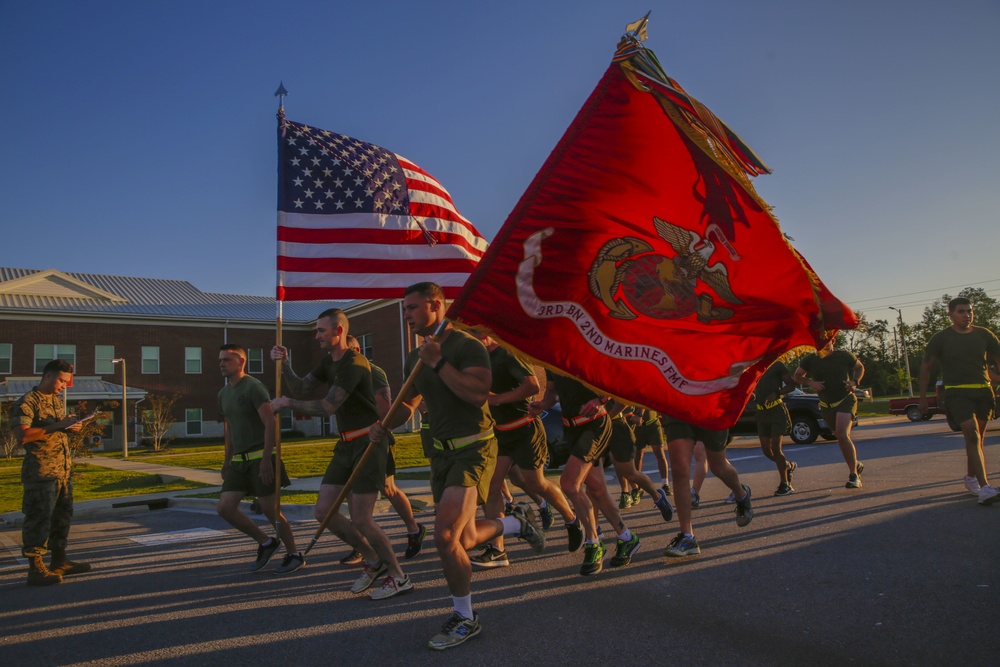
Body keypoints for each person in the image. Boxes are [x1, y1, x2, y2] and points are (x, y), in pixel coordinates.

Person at [368, 282, 544, 650]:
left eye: (412, 308)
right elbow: (409, 405)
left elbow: (478, 393)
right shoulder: (416, 355)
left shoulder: (467, 345)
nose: (407, 316)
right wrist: (383, 422)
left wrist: (438, 362)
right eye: (404, 310)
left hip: (474, 449)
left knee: (444, 536)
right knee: (461, 540)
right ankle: (514, 523)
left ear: (436, 305)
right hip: (441, 453)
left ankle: (465, 617)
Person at [270, 309, 412, 600]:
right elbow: (300, 386)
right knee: (323, 512)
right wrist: (284, 364)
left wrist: (286, 403)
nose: (317, 335)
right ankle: (372, 560)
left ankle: (398, 575)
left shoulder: (354, 363)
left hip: (368, 444)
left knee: (361, 518)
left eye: (321, 331)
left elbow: (327, 407)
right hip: (345, 444)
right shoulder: (328, 362)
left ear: (339, 331)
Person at [466, 330, 578, 568]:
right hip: (500, 433)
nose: (469, 337)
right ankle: (498, 550)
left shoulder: (507, 354)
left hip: (525, 428)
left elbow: (532, 386)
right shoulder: (478, 359)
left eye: (472, 332)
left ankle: (572, 519)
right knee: (492, 487)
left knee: (535, 483)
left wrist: (497, 399)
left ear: (483, 332)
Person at [529, 372, 641, 575]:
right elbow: (552, 394)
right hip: (572, 428)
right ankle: (627, 538)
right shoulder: (551, 356)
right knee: (597, 489)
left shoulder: (582, 347)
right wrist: (542, 405)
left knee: (570, 484)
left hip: (595, 424)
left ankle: (593, 543)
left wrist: (601, 399)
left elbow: (621, 380)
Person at [335, 335, 427, 565]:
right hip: (350, 443)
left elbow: (385, 410)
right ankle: (361, 545)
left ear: (356, 349)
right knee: (349, 492)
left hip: (373, 440)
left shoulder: (372, 371)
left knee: (388, 488)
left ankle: (413, 529)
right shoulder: (341, 373)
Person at [215, 345, 303, 574]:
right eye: (220, 360)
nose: (222, 364)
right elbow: (230, 430)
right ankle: (267, 542)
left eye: (227, 360)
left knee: (270, 509)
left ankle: (294, 554)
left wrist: (266, 459)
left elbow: (270, 424)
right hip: (239, 461)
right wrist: (226, 461)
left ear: (241, 362)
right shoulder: (223, 394)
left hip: (260, 459)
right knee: (225, 507)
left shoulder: (254, 387)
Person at [13, 360, 90, 586]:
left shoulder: (56, 401)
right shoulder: (27, 402)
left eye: (66, 382)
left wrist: (70, 427)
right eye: (61, 380)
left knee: (61, 517)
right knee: (39, 518)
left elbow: (55, 430)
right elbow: (23, 436)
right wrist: (58, 425)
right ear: (47, 376)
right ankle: (36, 569)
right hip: (41, 473)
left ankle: (60, 561)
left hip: (62, 471)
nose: (64, 386)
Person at [918, 297, 1000, 505]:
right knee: (971, 435)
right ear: (951, 314)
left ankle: (971, 478)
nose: (967, 315)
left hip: (983, 392)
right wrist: (923, 399)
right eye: (962, 311)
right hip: (957, 393)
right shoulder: (941, 338)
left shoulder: (984, 335)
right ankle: (985, 488)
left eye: (970, 311)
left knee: (978, 439)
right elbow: (926, 367)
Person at [662, 417, 752, 558]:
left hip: (710, 407)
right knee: (679, 470)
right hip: (678, 411)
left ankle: (741, 494)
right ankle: (687, 537)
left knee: (718, 467)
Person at [794, 341, 866, 488]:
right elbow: (797, 375)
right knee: (837, 435)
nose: (825, 344)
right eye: (821, 342)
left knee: (841, 434)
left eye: (828, 341)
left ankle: (854, 475)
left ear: (833, 341)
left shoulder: (844, 355)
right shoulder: (810, 359)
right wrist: (810, 383)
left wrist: (854, 382)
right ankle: (856, 464)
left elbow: (859, 367)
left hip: (846, 399)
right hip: (827, 405)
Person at [607, 405, 673, 523]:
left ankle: (659, 493)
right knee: (592, 481)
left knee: (628, 469)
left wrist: (639, 414)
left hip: (620, 424)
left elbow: (627, 399)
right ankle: (626, 493)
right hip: (596, 428)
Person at [754, 360, 798, 496]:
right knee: (766, 450)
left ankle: (785, 484)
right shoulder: (752, 366)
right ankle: (787, 466)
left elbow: (791, 385)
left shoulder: (776, 365)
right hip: (761, 412)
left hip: (776, 411)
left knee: (776, 448)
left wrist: (777, 393)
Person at [632, 407, 670, 501]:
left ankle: (665, 484)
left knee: (659, 453)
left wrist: (665, 422)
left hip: (653, 424)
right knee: (638, 456)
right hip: (638, 427)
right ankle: (638, 487)